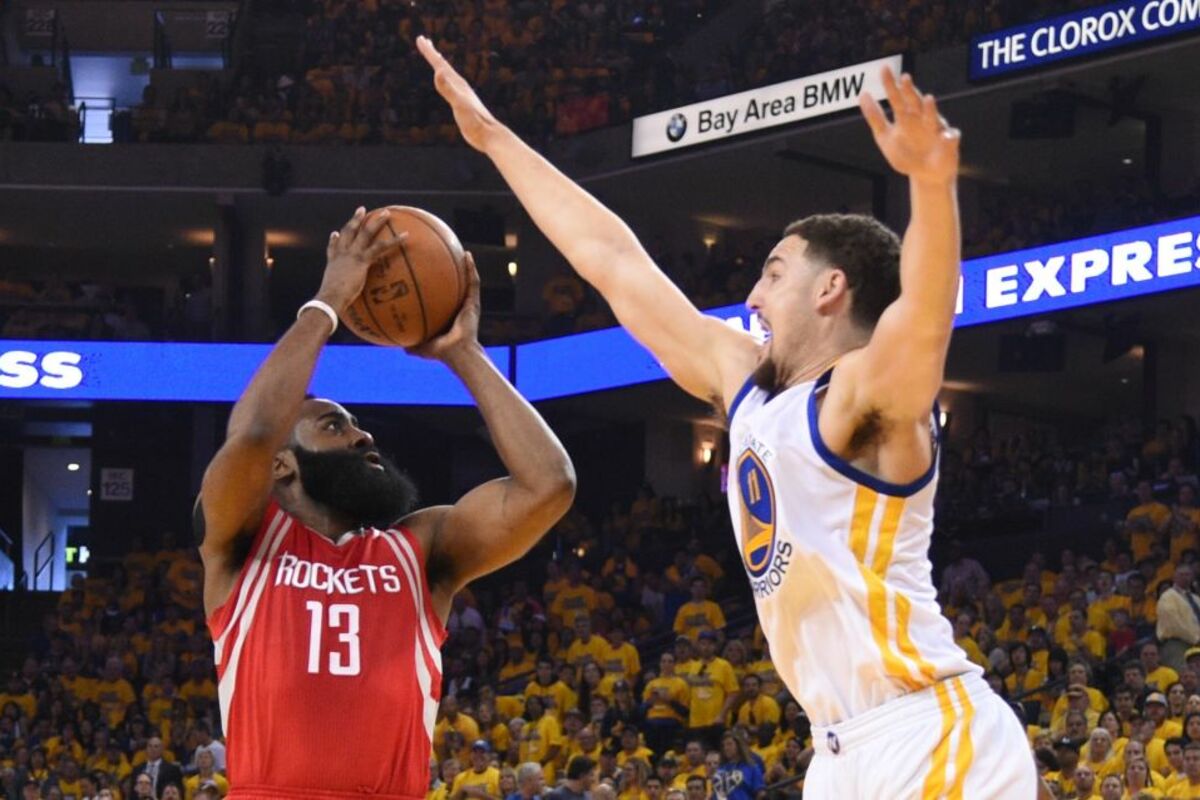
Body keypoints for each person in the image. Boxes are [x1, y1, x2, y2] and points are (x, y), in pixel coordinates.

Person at [415, 38, 1036, 799]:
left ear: (830, 289)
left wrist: (932, 187)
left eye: (773, 273)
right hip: (839, 752)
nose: (751, 297)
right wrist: (492, 138)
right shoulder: (744, 383)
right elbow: (614, 261)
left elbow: (927, 321)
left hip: (926, 731)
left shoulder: (860, 396)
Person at [195, 208, 576, 798]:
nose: (362, 435)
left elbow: (549, 484)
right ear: (282, 464)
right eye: (333, 425)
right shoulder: (242, 543)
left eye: (355, 424)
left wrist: (464, 353)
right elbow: (253, 433)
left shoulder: (420, 549)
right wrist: (327, 302)